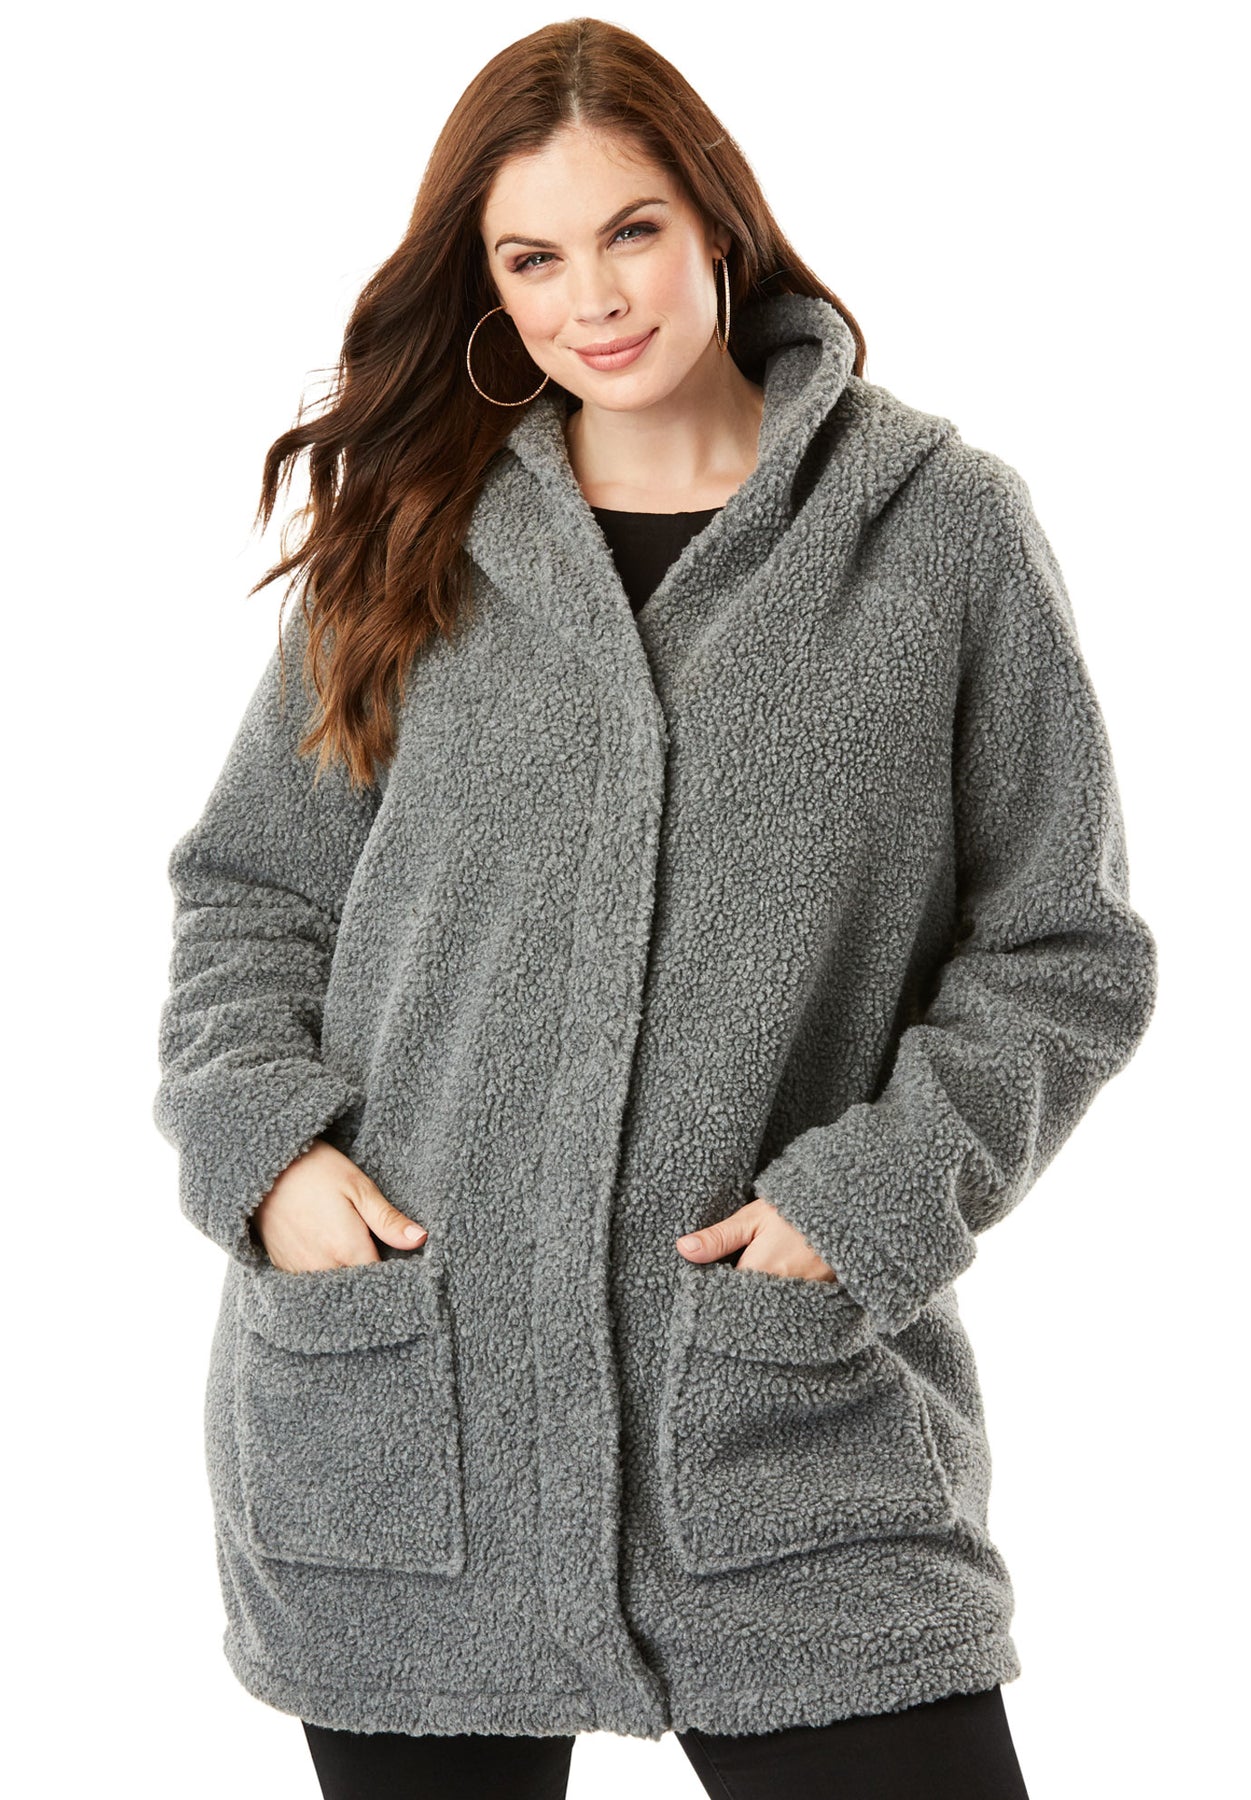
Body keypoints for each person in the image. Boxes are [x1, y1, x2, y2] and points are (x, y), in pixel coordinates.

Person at [152, 18, 1158, 1800]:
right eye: (531, 258)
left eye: (630, 231)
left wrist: (869, 1201)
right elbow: (251, 897)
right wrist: (268, 1156)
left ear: (717, 221)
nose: (592, 299)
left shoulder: (936, 532)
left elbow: (1058, 950)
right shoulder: (414, 525)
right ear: (485, 283)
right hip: (409, 1418)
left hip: (781, 1418)